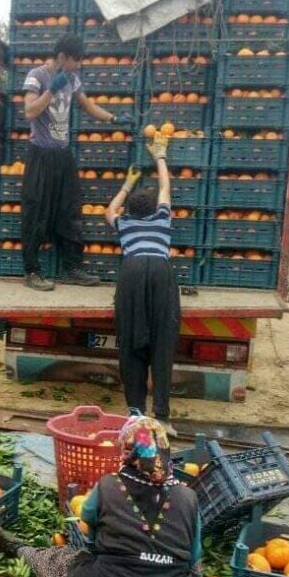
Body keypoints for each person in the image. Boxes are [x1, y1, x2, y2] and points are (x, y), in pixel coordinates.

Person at [0, 415, 213, 577]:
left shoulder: (108, 486)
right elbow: (194, 558)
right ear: (164, 449)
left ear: (126, 450)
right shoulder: (188, 496)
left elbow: (89, 527)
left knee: (58, 559)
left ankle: (17, 547)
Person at [20, 33, 133, 292]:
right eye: (76, 60)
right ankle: (32, 271)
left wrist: (114, 119)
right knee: (37, 213)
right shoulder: (37, 76)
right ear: (62, 57)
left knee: (69, 212)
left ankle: (72, 267)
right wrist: (52, 90)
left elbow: (89, 106)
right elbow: (29, 111)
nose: (79, 65)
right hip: (41, 155)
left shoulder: (72, 79)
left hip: (63, 156)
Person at [104, 135, 180, 429]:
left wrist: (126, 184)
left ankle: (135, 414)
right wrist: (160, 155)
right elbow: (165, 187)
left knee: (131, 340)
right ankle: (162, 417)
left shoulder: (124, 223)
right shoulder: (163, 219)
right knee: (163, 340)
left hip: (132, 272)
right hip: (160, 272)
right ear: (154, 208)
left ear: (130, 212)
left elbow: (108, 212)